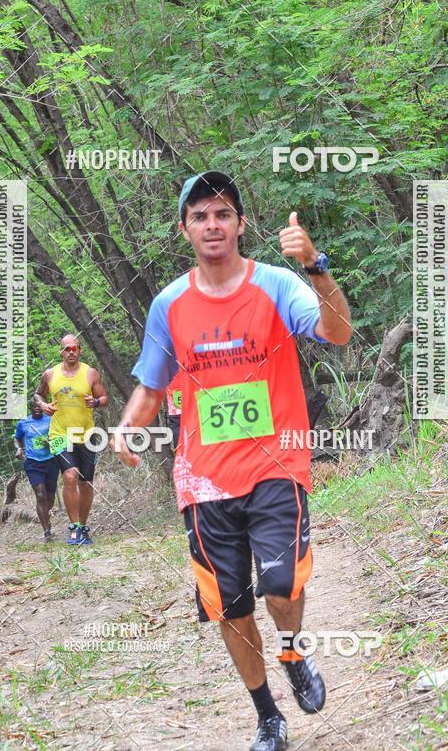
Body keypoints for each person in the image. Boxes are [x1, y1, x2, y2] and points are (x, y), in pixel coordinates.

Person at [111, 171, 352, 751]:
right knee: (232, 608)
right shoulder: (169, 303)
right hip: (203, 479)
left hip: (277, 463)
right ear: (185, 229)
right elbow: (151, 383)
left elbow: (336, 332)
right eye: (200, 216)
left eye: (222, 214)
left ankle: (293, 650)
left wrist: (316, 264)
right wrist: (125, 429)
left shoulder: (276, 284)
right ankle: (268, 715)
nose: (212, 224)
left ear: (241, 224)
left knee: (280, 583)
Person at [34, 335, 108, 546]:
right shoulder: (50, 374)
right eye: (67, 349)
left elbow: (104, 399)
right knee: (69, 476)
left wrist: (94, 401)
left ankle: (83, 526)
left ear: (80, 350)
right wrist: (44, 405)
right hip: (58, 434)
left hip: (86, 435)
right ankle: (73, 528)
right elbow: (38, 395)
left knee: (86, 484)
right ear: (61, 352)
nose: (71, 352)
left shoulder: (90, 373)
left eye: (74, 348)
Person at [14, 401, 57, 542]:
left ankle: (46, 516)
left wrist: (51, 440)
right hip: (33, 463)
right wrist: (19, 448)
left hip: (51, 461)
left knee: (50, 499)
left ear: (43, 408)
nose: (37, 409)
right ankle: (46, 531)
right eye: (34, 407)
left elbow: (58, 435)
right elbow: (17, 438)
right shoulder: (23, 423)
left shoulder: (51, 420)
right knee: (40, 494)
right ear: (30, 408)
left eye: (39, 407)